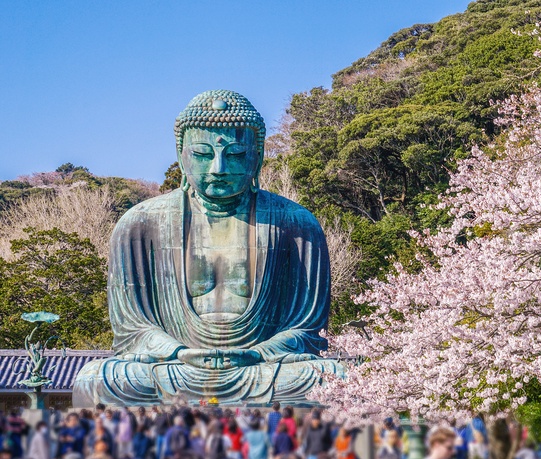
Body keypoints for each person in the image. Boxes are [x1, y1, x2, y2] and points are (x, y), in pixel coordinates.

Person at [72, 89, 345, 408]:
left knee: (332, 377)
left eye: (236, 154)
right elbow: (132, 330)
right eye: (203, 154)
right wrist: (179, 352)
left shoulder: (296, 224)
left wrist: (257, 353)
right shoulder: (140, 224)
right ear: (181, 154)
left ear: (256, 156)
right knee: (97, 380)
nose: (219, 167)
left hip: (261, 369)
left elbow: (306, 330)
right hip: (175, 369)